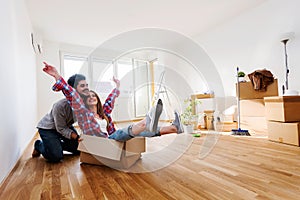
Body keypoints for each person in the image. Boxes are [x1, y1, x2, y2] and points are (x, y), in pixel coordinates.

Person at [43, 62, 183, 141]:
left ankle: (173, 128)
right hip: (103, 143)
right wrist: (57, 76)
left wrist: (117, 87)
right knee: (128, 130)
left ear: (97, 100)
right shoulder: (83, 113)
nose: (91, 97)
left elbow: (110, 100)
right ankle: (147, 121)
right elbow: (71, 93)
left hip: (111, 139)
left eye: (94, 96)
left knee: (139, 132)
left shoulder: (104, 114)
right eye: (88, 96)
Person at [33, 65, 120, 162]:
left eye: (87, 85)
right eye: (82, 86)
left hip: (67, 125)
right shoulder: (60, 106)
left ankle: (55, 145)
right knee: (56, 156)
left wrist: (117, 88)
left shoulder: (85, 104)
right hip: (49, 128)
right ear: (74, 88)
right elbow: (61, 128)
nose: (86, 88)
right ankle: (39, 145)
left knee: (79, 149)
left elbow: (106, 106)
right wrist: (56, 75)